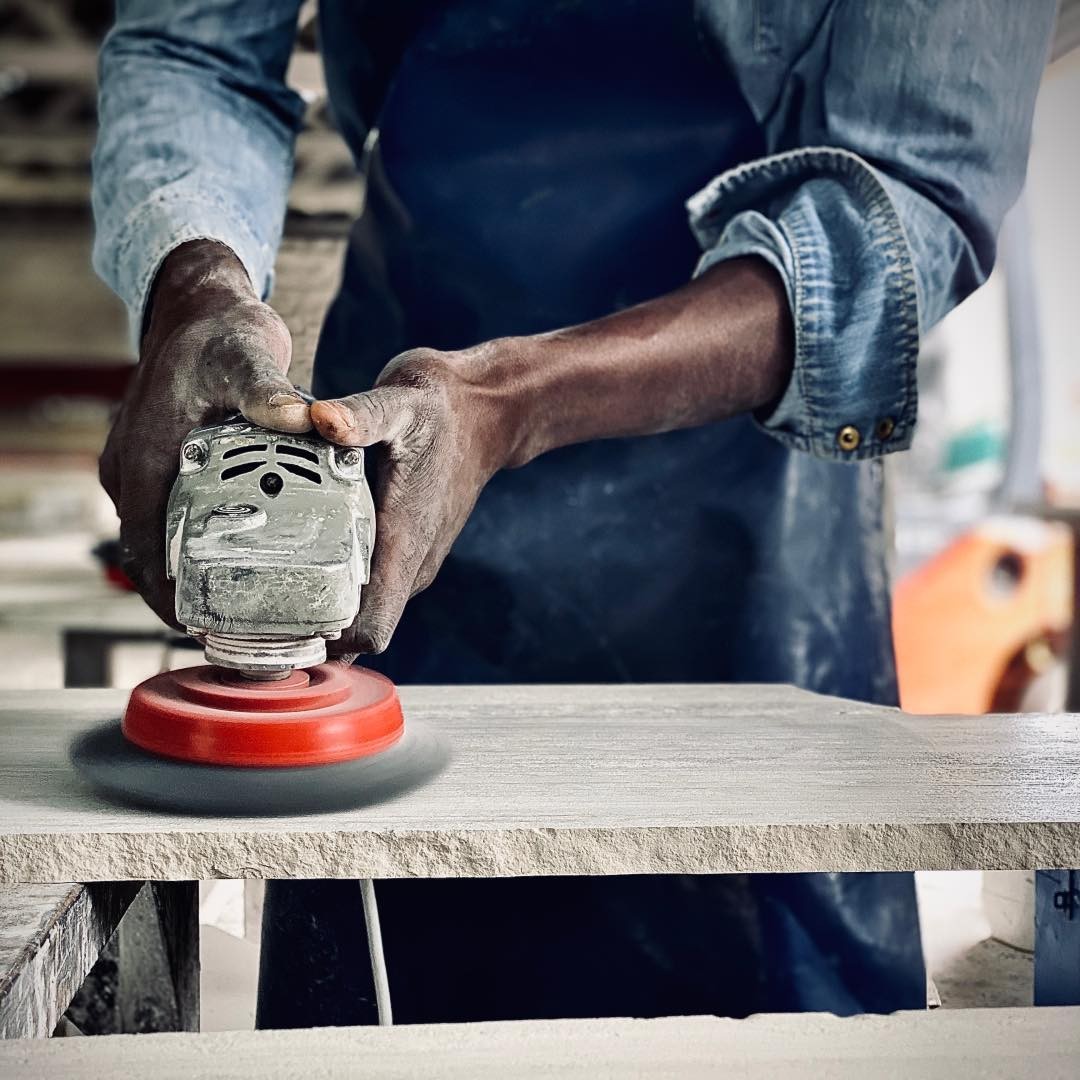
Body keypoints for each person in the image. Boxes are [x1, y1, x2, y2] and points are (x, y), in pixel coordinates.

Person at [92, 1, 1056, 1024]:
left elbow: (913, 195)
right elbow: (189, 44)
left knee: (760, 1010)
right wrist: (194, 291)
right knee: (387, 993)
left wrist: (507, 401)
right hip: (395, 427)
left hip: (737, 498)